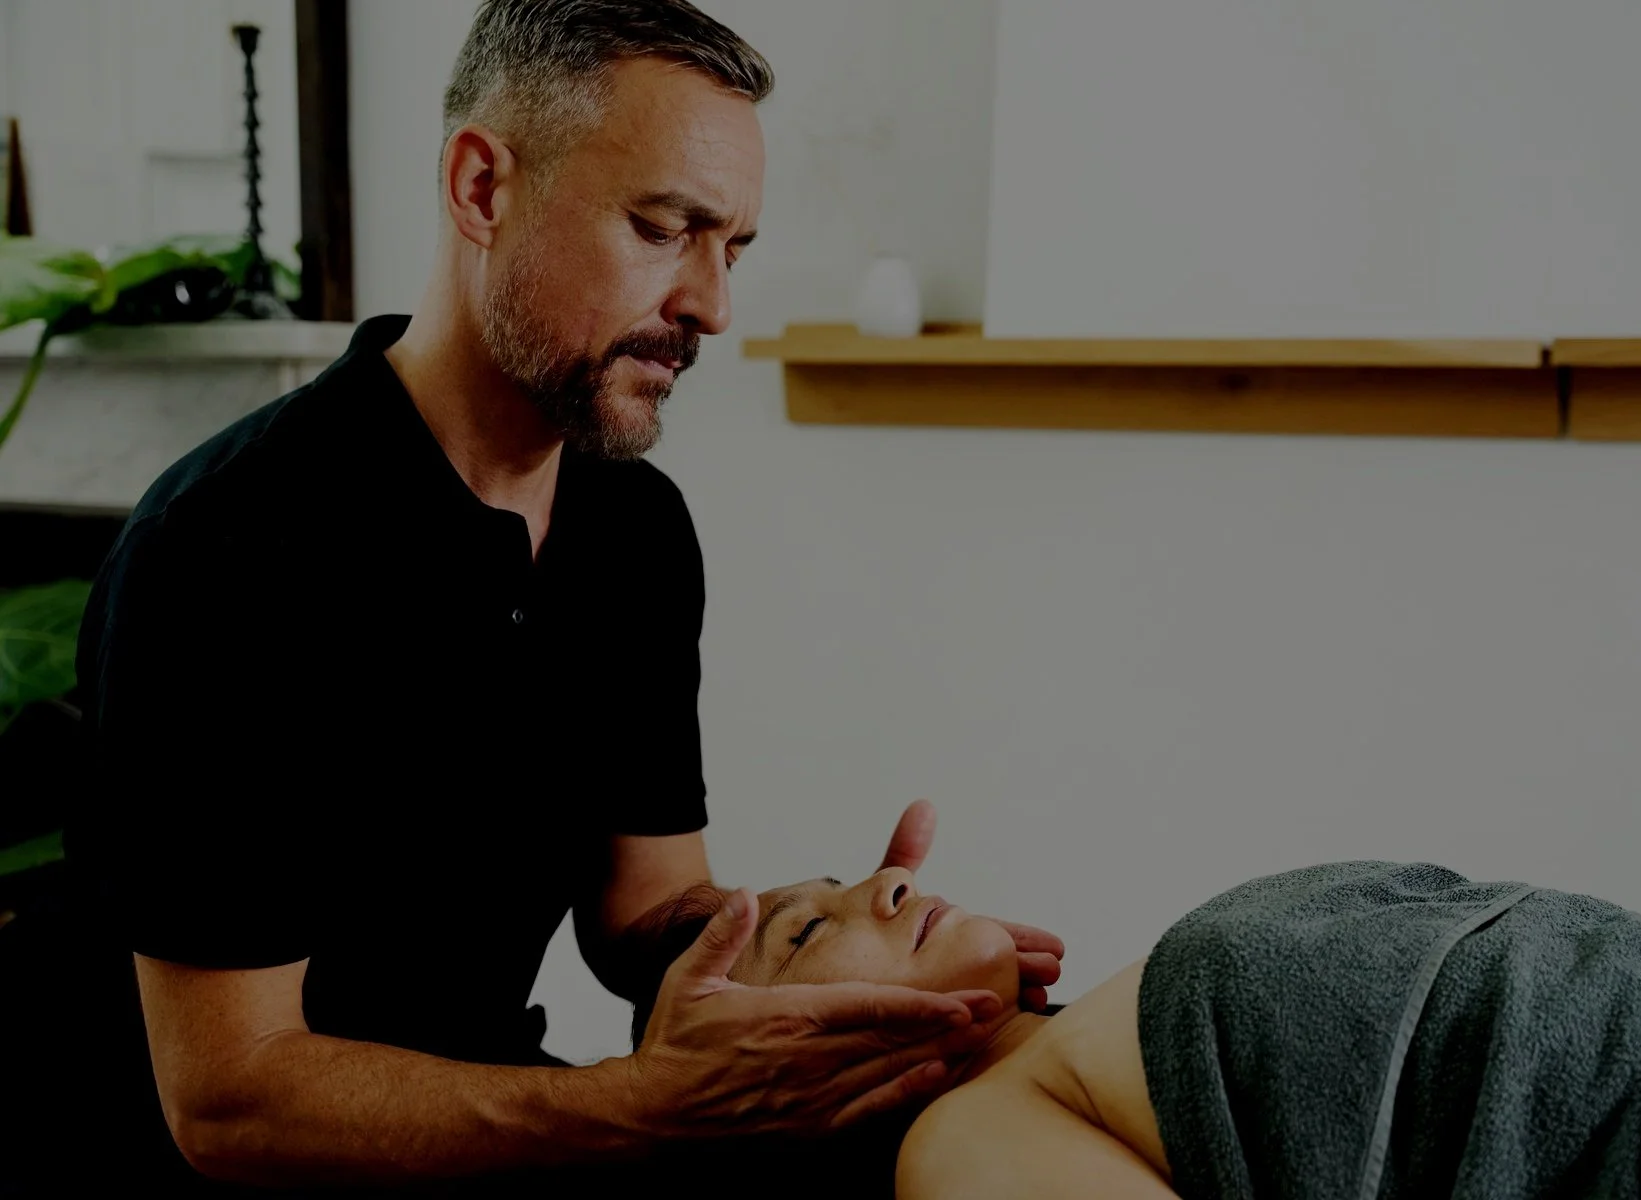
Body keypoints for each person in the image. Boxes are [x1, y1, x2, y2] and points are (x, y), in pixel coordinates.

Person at [60, 1, 1062, 1192]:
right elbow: (228, 1103)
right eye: (661, 227)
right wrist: (637, 1106)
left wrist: (828, 939)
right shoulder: (225, 550)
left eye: (730, 247)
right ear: (483, 189)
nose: (711, 306)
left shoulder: (634, 531)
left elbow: (642, 910)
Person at [621, 861, 1641, 1199]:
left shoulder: (1075, 1043)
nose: (881, 883)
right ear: (770, 1079)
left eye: (843, 873)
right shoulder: (963, 1146)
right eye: (806, 934)